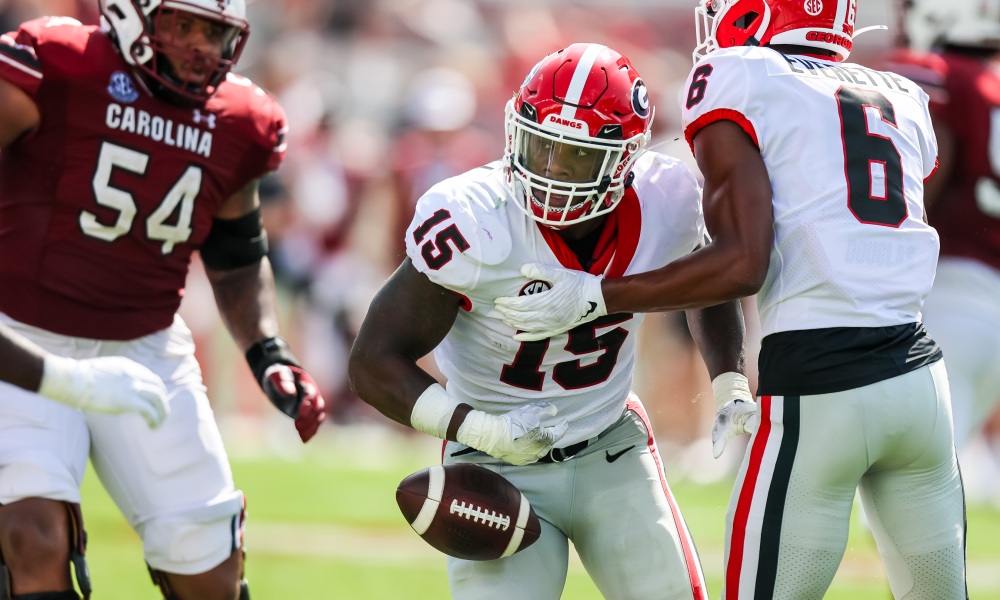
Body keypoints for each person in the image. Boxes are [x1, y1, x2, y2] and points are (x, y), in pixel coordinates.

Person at [493, 2, 968, 598]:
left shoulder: (741, 75)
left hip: (820, 384)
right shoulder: (900, 93)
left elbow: (743, 263)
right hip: (921, 385)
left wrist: (598, 296)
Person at [350, 42, 747, 600]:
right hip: (496, 462)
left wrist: (729, 378)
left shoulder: (668, 201)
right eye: (541, 148)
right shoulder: (474, 220)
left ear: (623, 160)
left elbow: (706, 286)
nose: (553, 171)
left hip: (610, 446)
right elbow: (373, 362)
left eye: (577, 157)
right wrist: (479, 429)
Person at [0, 1, 327, 598]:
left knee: (208, 569)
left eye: (217, 33)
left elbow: (236, 252)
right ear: (132, 16)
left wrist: (268, 351)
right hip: (19, 331)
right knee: (31, 537)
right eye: (185, 25)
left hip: (146, 347)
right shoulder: (55, 65)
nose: (202, 48)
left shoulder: (239, 119)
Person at [880, 0, 1000, 470]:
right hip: (989, 302)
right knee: (930, 483)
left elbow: (918, 193)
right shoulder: (989, 84)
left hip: (946, 295)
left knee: (906, 489)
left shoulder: (937, 73)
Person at [0, 321, 168, 427]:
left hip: (150, 332)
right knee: (32, 478)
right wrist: (76, 384)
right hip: (19, 328)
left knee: (183, 469)